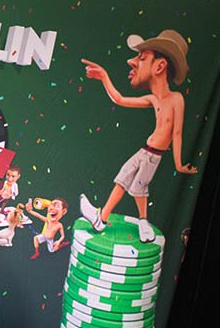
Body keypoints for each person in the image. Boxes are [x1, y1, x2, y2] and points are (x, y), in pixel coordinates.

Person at [79, 30, 198, 242]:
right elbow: (119, 99)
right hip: (145, 150)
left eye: (142, 58)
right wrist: (104, 77)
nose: (132, 62)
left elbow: (177, 133)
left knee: (138, 188)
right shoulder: (153, 99)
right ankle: (101, 218)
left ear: (160, 66)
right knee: (123, 177)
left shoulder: (176, 99)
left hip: (154, 155)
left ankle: (143, 222)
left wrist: (179, 164)